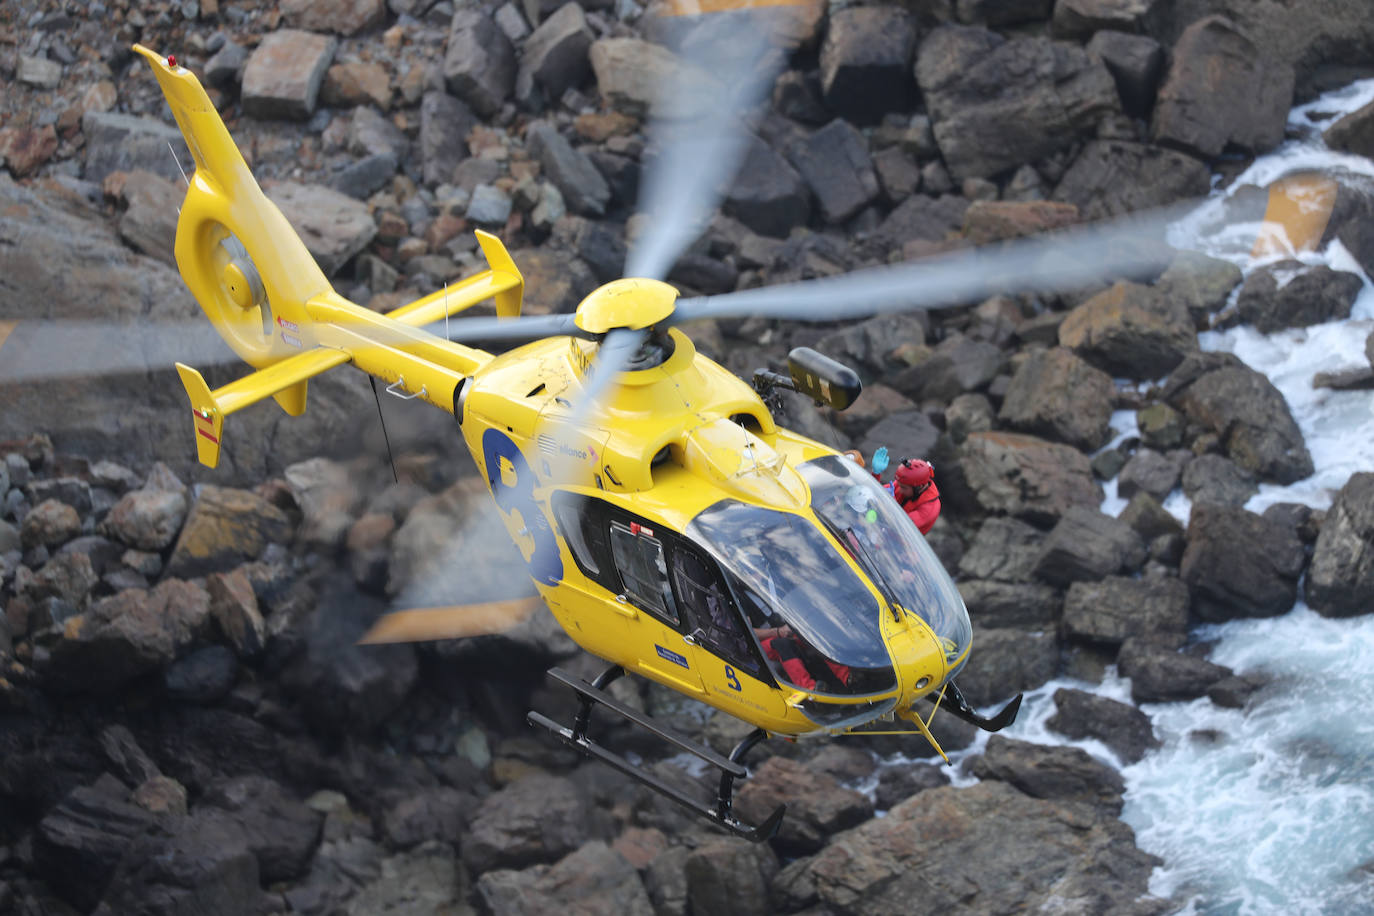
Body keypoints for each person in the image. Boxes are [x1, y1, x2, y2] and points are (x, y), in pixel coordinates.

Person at [884, 457, 941, 535]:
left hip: (901, 541)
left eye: (903, 487)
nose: (899, 490)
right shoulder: (905, 483)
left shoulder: (929, 509)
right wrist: (876, 474)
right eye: (899, 484)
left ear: (920, 486)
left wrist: (891, 503)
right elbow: (871, 493)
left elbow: (898, 525)